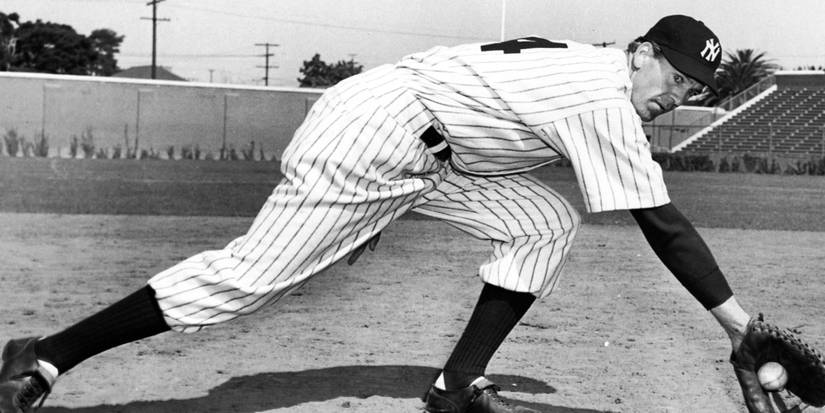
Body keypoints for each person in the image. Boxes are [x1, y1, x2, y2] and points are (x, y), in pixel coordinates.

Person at [0, 14, 774, 413]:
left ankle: (455, 387)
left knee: (542, 222)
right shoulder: (600, 95)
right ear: (640, 52)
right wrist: (741, 327)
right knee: (247, 279)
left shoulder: (596, 70)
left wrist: (385, 212)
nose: (676, 93)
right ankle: (43, 355)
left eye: (689, 89)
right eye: (671, 73)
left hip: (430, 154)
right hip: (377, 136)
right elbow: (661, 222)